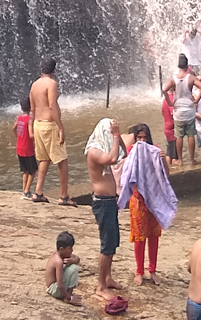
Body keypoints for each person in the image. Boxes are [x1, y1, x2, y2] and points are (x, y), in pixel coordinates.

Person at [118, 122, 176, 285]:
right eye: (139, 137)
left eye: (144, 137)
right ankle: (139, 271)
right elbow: (126, 171)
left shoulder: (155, 150)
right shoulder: (131, 151)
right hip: (138, 200)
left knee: (153, 235)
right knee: (139, 237)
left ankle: (152, 270)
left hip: (154, 199)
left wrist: (163, 161)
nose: (142, 141)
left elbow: (165, 175)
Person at [85, 117, 125, 297]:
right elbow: (112, 158)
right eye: (109, 134)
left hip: (110, 201)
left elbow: (123, 152)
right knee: (106, 244)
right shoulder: (94, 151)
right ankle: (101, 286)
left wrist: (118, 135)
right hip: (102, 202)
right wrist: (115, 135)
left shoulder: (105, 148)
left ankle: (108, 278)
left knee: (113, 242)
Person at [28, 59, 71, 203]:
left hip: (38, 124)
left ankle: (38, 192)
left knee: (44, 159)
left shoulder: (34, 84)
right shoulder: (52, 84)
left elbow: (32, 108)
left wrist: (33, 124)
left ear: (41, 70)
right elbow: (52, 106)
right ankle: (64, 196)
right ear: (54, 71)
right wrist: (60, 127)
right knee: (62, 160)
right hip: (49, 125)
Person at [165, 54, 201, 167]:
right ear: (187, 66)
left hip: (178, 111)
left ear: (178, 65)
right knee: (191, 135)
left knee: (179, 136)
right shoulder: (190, 77)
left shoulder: (173, 78)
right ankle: (192, 159)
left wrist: (169, 102)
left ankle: (180, 160)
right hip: (189, 110)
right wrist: (196, 100)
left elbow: (164, 89)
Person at [46, 231, 83, 305]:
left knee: (72, 265)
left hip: (53, 288)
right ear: (62, 249)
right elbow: (59, 284)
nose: (72, 250)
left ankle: (68, 294)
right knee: (74, 268)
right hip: (54, 289)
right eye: (70, 248)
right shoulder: (58, 261)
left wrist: (74, 260)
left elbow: (77, 258)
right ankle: (68, 296)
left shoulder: (59, 253)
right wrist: (69, 298)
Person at [15, 96, 36, 199]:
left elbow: (13, 128)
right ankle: (27, 192)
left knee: (25, 171)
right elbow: (31, 135)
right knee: (33, 171)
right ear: (31, 107)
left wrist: (18, 137)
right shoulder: (29, 120)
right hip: (28, 149)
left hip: (19, 148)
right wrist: (38, 137)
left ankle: (24, 190)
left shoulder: (19, 118)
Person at [162, 88, 180, 162]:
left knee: (169, 153)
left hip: (167, 127)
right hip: (172, 129)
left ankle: (169, 167)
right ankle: (175, 167)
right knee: (175, 156)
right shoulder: (172, 98)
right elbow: (173, 113)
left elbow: (162, 112)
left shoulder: (165, 99)